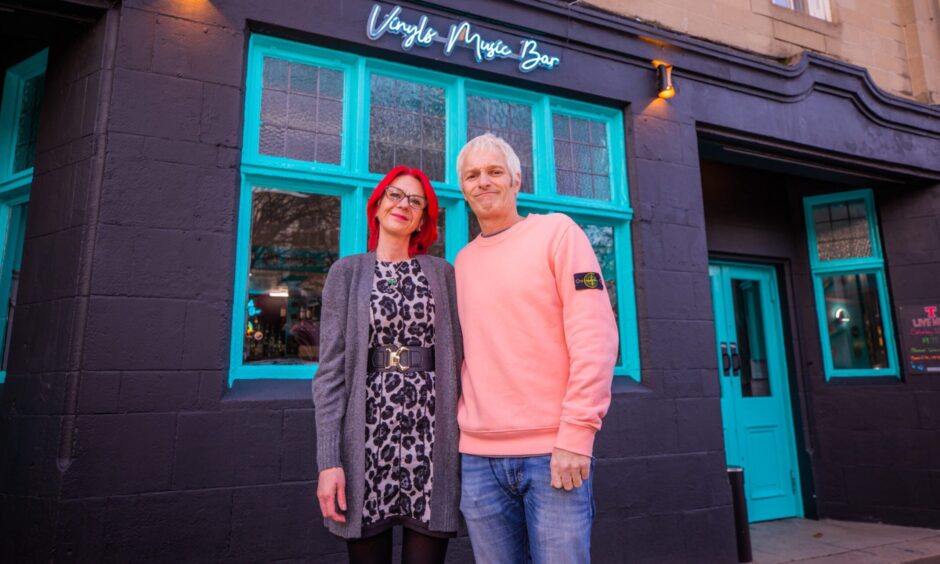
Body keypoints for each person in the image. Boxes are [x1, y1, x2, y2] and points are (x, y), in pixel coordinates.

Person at [455, 133, 619, 563]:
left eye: (494, 172)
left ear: (516, 179)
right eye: (472, 175)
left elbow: (595, 335)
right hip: (477, 457)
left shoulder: (558, 233)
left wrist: (577, 433)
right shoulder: (463, 262)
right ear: (463, 189)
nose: (483, 182)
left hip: (552, 452)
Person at [313, 166, 462, 564]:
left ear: (423, 219)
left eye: (416, 201)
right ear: (377, 206)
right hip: (366, 444)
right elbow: (329, 373)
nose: (403, 205)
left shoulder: (443, 274)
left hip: (431, 442)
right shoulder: (347, 273)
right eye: (395, 195)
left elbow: (464, 359)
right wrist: (330, 461)